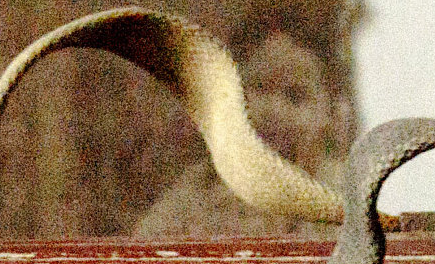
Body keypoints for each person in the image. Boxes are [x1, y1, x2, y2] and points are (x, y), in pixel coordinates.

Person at [128, 24, 347, 240]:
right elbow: (145, 250)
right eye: (259, 88)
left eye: (295, 96)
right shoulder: (199, 189)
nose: (273, 110)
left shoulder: (344, 192)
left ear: (331, 114)